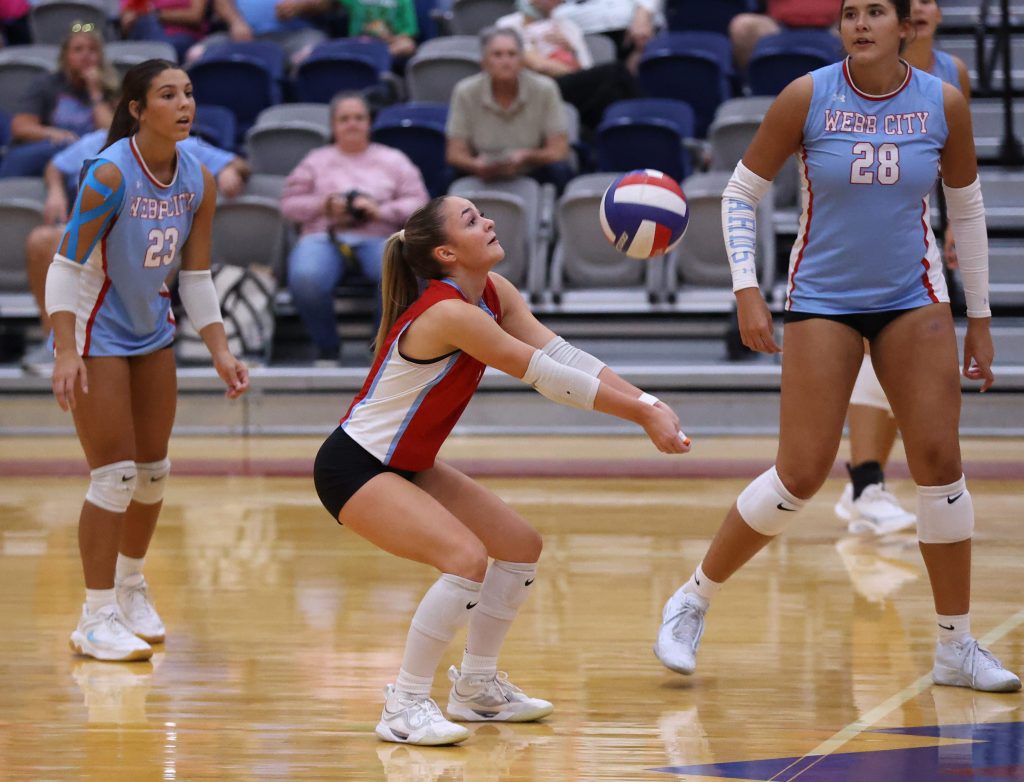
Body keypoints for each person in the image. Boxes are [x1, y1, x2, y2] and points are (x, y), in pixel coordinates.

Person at [653, 0, 1021, 694]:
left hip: (914, 295)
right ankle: (693, 598)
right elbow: (739, 194)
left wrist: (979, 315)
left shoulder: (943, 101)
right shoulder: (807, 94)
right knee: (800, 473)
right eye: (851, 12)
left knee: (941, 463)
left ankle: (956, 645)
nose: (860, 23)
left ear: (904, 26)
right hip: (823, 297)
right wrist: (745, 288)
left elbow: (966, 210)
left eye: (876, 12)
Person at [313, 195, 689, 745]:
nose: (488, 221)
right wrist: (640, 414)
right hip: (355, 466)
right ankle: (404, 704)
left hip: (409, 464)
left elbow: (566, 357)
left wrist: (649, 402)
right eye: (471, 220)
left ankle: (476, 689)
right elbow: (546, 377)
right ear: (446, 253)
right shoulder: (449, 313)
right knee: (464, 559)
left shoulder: (494, 292)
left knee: (518, 546)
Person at [45, 59, 249, 662]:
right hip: (97, 331)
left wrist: (220, 349)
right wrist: (65, 349)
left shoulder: (199, 179)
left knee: (153, 472)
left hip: (151, 330)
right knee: (113, 477)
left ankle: (130, 587)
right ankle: (94, 617)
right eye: (167, 95)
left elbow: (196, 275)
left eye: (188, 93)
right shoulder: (109, 173)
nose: (184, 104)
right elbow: (65, 265)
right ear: (137, 109)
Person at [833, 0, 973, 535]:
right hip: (854, 233)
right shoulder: (856, 69)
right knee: (875, 352)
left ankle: (867, 483)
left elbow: (957, 163)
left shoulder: (951, 75)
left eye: (927, 0)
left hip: (916, 231)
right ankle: (866, 480)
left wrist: (955, 224)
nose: (920, 8)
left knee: (903, 361)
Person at [22, 124, 251, 374]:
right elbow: (55, 166)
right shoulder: (98, 143)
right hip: (99, 237)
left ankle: (142, 333)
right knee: (42, 241)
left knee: (146, 248)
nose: (183, 106)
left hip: (153, 241)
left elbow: (239, 163)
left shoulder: (185, 147)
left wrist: (229, 169)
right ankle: (57, 341)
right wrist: (56, 191)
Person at [280, 91, 428, 365]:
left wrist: (380, 210)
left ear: (369, 123)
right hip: (324, 235)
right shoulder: (316, 159)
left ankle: (381, 346)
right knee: (305, 277)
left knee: (403, 272)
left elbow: (420, 204)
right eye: (344, 119)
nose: (352, 124)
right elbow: (289, 205)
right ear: (333, 125)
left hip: (380, 235)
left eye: (359, 118)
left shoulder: (393, 159)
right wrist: (324, 205)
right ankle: (327, 347)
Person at [446, 27, 573, 192]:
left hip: (533, 169)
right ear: (483, 62)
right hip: (481, 171)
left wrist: (527, 156)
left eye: (512, 54)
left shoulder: (545, 88)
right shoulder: (465, 91)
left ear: (522, 61)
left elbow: (559, 150)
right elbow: (454, 153)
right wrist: (475, 165)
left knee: (560, 171)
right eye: (497, 55)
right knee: (447, 177)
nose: (505, 62)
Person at [496, 0, 638, 136]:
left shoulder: (569, 27)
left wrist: (570, 50)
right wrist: (572, 73)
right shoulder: (509, 25)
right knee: (615, 73)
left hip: (569, 85)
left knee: (612, 89)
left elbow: (586, 67)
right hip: (536, 87)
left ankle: (624, 133)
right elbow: (539, 65)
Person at [0, 28, 118, 178]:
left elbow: (110, 135)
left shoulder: (111, 90)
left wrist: (95, 92)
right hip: (50, 147)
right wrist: (51, 133)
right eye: (78, 50)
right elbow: (21, 127)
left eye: (92, 50)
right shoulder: (47, 84)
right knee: (18, 157)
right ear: (65, 57)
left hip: (85, 156)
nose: (86, 55)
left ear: (101, 58)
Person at [729, 0, 841, 70]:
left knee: (851, 26)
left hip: (836, 25)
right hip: (778, 25)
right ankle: (754, 86)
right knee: (743, 25)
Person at [120, 0, 212, 62]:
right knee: (146, 23)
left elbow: (195, 17)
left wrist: (156, 14)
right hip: (146, 34)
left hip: (184, 37)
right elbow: (126, 23)